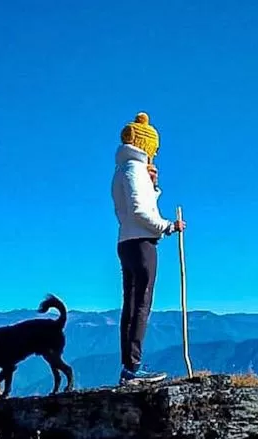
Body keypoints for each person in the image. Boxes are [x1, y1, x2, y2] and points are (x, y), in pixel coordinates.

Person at [110, 112, 185, 385]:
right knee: (141, 304)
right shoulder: (134, 170)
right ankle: (133, 367)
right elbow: (140, 211)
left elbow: (133, 207)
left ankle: (128, 365)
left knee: (130, 304)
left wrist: (153, 186)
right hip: (142, 243)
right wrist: (168, 226)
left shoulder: (123, 170)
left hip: (126, 241)